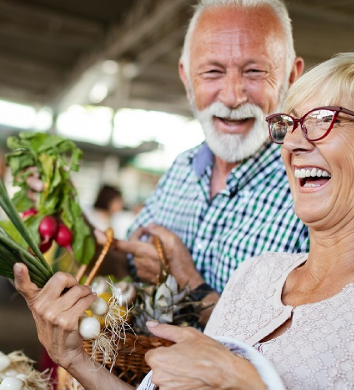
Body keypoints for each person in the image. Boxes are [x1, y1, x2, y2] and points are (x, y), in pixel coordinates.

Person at [13, 52, 354, 390]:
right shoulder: (258, 274)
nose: (293, 142)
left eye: (320, 121)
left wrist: (234, 381)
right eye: (290, 124)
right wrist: (74, 358)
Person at [100, 0, 309, 319]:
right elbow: (129, 266)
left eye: (254, 71)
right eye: (212, 72)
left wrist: (186, 281)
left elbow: (294, 341)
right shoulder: (183, 167)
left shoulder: (310, 190)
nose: (231, 96)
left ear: (292, 77)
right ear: (186, 79)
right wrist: (79, 235)